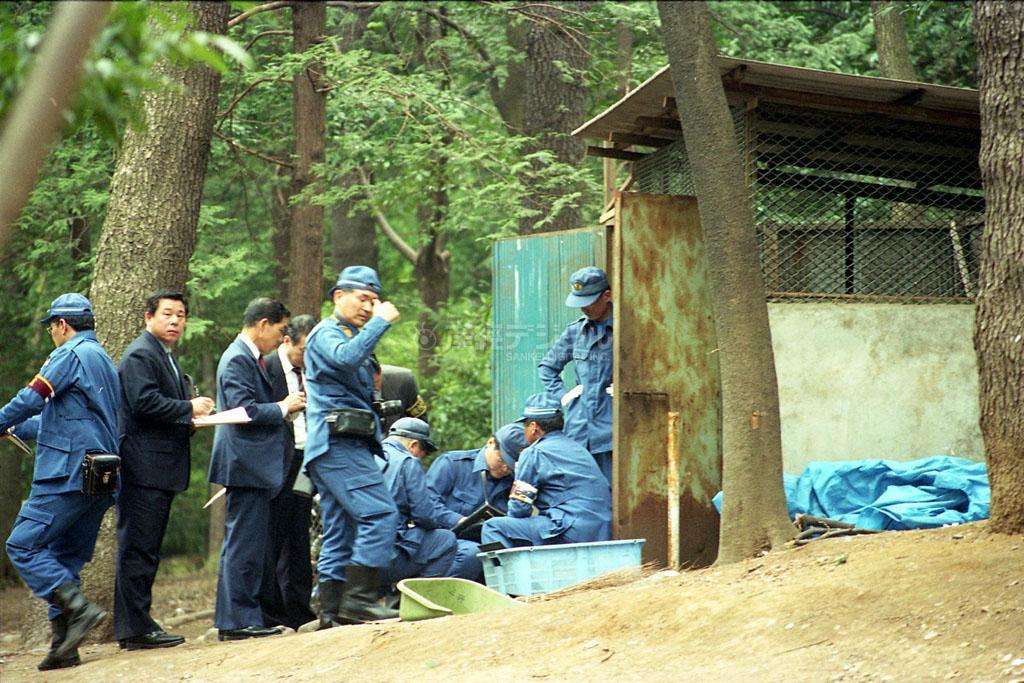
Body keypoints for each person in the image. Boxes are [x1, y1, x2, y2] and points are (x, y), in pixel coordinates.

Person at [1, 294, 120, 671]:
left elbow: (32, 398)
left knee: (22, 545)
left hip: (66, 474)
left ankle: (80, 610)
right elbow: (62, 419)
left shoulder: (68, 355)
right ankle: (64, 645)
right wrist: (15, 427)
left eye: (51, 327)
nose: (52, 334)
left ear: (62, 325)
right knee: (65, 558)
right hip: (99, 476)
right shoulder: (102, 360)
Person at [114, 291, 215, 650]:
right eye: (168, 314)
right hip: (144, 467)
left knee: (146, 547)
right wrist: (188, 407)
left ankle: (138, 623)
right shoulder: (142, 353)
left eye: (181, 315)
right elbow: (143, 403)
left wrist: (191, 417)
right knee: (137, 548)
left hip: (160, 466)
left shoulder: (164, 355)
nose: (175, 321)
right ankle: (134, 628)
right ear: (148, 317)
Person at [304, 266, 401, 626]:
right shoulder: (326, 334)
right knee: (380, 513)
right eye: (362, 298)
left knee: (341, 528)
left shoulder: (349, 335)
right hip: (337, 444)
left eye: (374, 301)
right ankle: (359, 602)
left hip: (343, 444)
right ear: (338, 296)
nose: (369, 307)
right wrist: (382, 322)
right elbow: (345, 357)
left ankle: (330, 611)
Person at [208, 297, 305, 641]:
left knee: (248, 544)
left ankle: (241, 616)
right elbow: (243, 410)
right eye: (280, 331)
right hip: (244, 465)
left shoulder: (251, 358)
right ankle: (236, 621)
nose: (281, 338)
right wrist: (283, 407)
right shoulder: (236, 358)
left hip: (254, 466)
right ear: (263, 324)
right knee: (242, 545)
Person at [481, 393, 612, 548]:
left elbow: (519, 508)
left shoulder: (534, 452)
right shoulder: (578, 448)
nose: (524, 431)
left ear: (534, 427)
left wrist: (513, 523)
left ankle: (513, 573)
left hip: (571, 529)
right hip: (602, 528)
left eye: (525, 425)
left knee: (493, 527)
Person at [259, 314, 318, 631]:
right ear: (286, 342)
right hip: (276, 461)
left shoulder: (315, 369)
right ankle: (271, 612)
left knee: (299, 536)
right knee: (272, 537)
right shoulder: (266, 366)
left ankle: (298, 609)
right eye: (304, 350)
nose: (309, 357)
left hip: (306, 459)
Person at [379, 418, 481, 583]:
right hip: (385, 553)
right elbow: (424, 515)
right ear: (413, 445)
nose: (422, 456)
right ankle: (419, 600)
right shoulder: (408, 462)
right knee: (445, 540)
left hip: (348, 550)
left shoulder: (365, 456)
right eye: (423, 451)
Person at [538, 266, 614, 485]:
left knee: (614, 494)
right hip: (579, 430)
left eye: (588, 302)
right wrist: (565, 397)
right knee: (582, 490)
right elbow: (548, 367)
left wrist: (626, 389)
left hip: (613, 431)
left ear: (606, 296)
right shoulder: (575, 332)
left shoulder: (626, 328)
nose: (583, 309)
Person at [426, 423, 526, 542]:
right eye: (502, 460)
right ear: (491, 443)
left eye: (510, 466)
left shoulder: (514, 479)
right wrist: (458, 520)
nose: (505, 468)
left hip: (491, 540)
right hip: (449, 539)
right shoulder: (452, 464)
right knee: (472, 553)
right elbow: (427, 504)